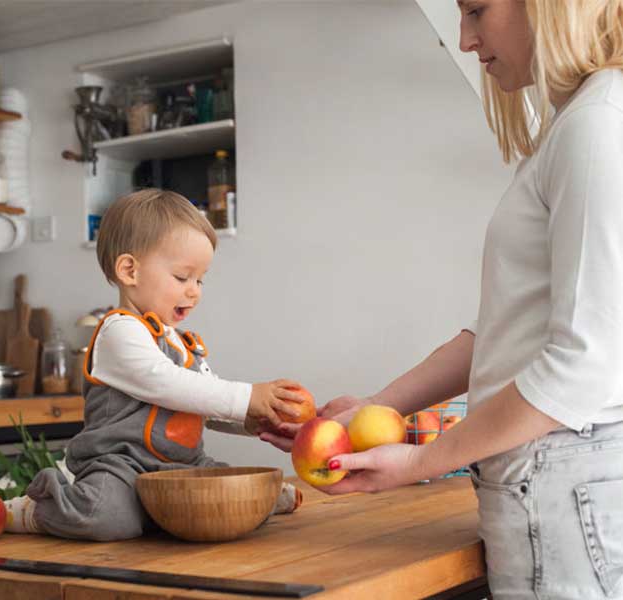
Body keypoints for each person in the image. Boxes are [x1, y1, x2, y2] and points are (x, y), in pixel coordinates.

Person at [262, 1, 623, 598]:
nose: (464, 38)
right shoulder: (578, 123)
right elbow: (499, 331)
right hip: (546, 483)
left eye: (477, 10)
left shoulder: (598, 122)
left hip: (560, 482)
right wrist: (379, 409)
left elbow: (584, 366)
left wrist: (419, 463)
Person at [5, 188, 306, 541]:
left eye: (200, 279)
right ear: (129, 270)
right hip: (121, 466)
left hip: (182, 466)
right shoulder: (119, 332)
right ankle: (37, 508)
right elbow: (168, 385)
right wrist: (247, 396)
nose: (194, 291)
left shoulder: (181, 342)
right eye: (182, 277)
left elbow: (202, 404)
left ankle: (255, 499)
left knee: (226, 497)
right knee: (106, 517)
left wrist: (250, 421)